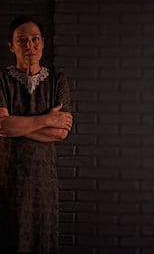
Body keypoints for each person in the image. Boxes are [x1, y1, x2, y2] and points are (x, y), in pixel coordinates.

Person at [0, 15, 73, 253]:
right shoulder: (1, 80)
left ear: (43, 43)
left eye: (35, 39)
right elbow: (3, 127)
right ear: (11, 46)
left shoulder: (57, 81)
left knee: (44, 240)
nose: (29, 45)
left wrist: (17, 125)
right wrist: (47, 120)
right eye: (22, 40)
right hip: (8, 177)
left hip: (44, 179)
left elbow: (61, 133)